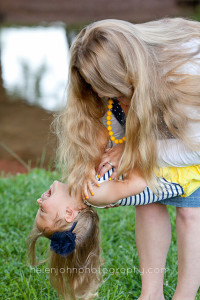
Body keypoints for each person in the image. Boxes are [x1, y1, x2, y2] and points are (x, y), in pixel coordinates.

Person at [53, 17, 200, 299]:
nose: (101, 96)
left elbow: (195, 146)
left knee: (192, 212)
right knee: (148, 204)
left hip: (193, 130)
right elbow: (115, 117)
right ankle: (151, 294)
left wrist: (136, 149)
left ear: (128, 75)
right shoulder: (122, 77)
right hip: (157, 126)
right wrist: (105, 171)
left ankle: (185, 295)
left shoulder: (186, 74)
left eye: (111, 91)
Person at [28, 163, 196, 300]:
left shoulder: (88, 188)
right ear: (69, 214)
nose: (38, 201)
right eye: (42, 211)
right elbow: (139, 181)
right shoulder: (94, 192)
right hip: (181, 173)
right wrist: (126, 152)